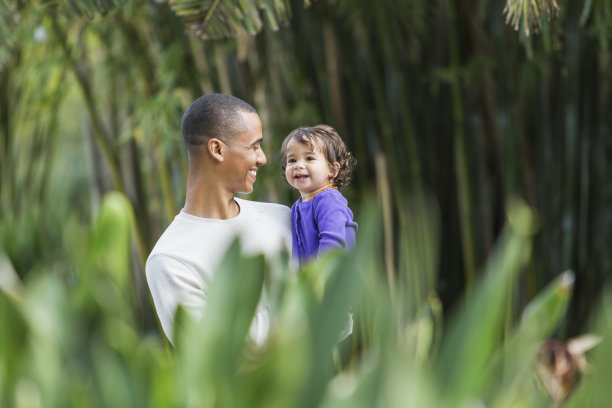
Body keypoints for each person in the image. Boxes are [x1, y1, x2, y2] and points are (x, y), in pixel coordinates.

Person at [146, 94, 292, 345]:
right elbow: (213, 354)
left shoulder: (281, 217)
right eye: (254, 146)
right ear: (217, 149)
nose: (263, 158)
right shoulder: (171, 260)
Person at [280, 124, 358, 266]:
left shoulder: (328, 200)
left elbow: (333, 243)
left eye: (309, 158)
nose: (298, 165)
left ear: (333, 170)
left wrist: (319, 276)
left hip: (334, 278)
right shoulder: (296, 207)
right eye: (292, 160)